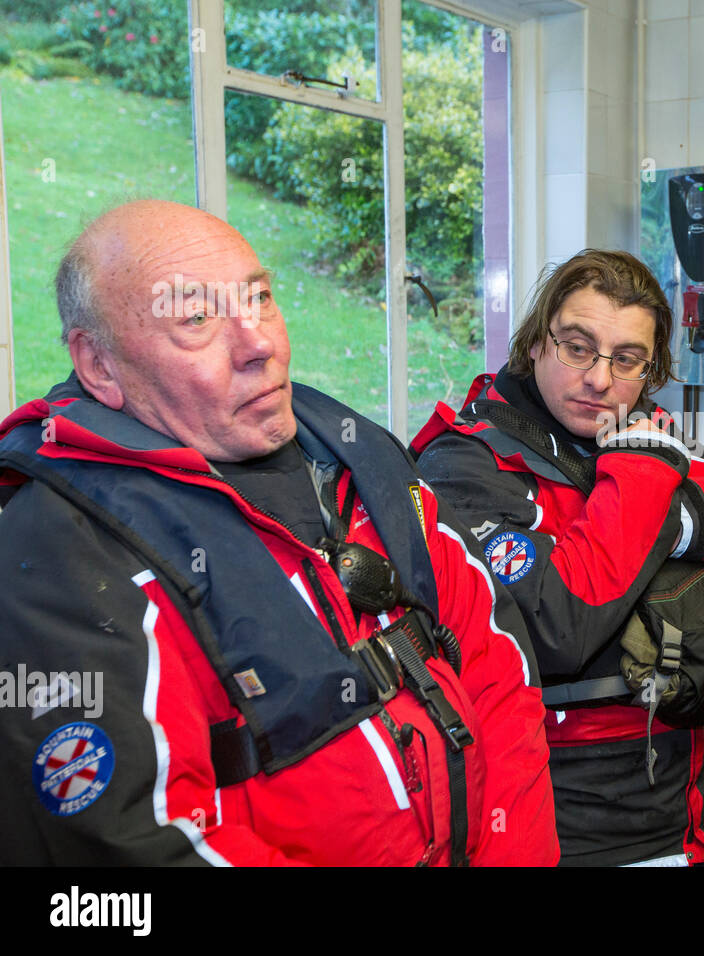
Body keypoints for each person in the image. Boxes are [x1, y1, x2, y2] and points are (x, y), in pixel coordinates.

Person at [0, 199, 559, 866]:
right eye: (196, 320)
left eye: (258, 297)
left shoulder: (357, 459)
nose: (260, 344)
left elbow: (498, 676)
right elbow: (133, 841)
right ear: (99, 366)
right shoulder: (63, 549)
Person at [411, 249, 704, 865]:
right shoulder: (465, 468)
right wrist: (644, 474)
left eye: (627, 359)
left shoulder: (634, 433)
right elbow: (559, 626)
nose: (598, 379)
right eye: (577, 347)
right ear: (536, 343)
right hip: (580, 837)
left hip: (702, 818)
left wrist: (670, 521)